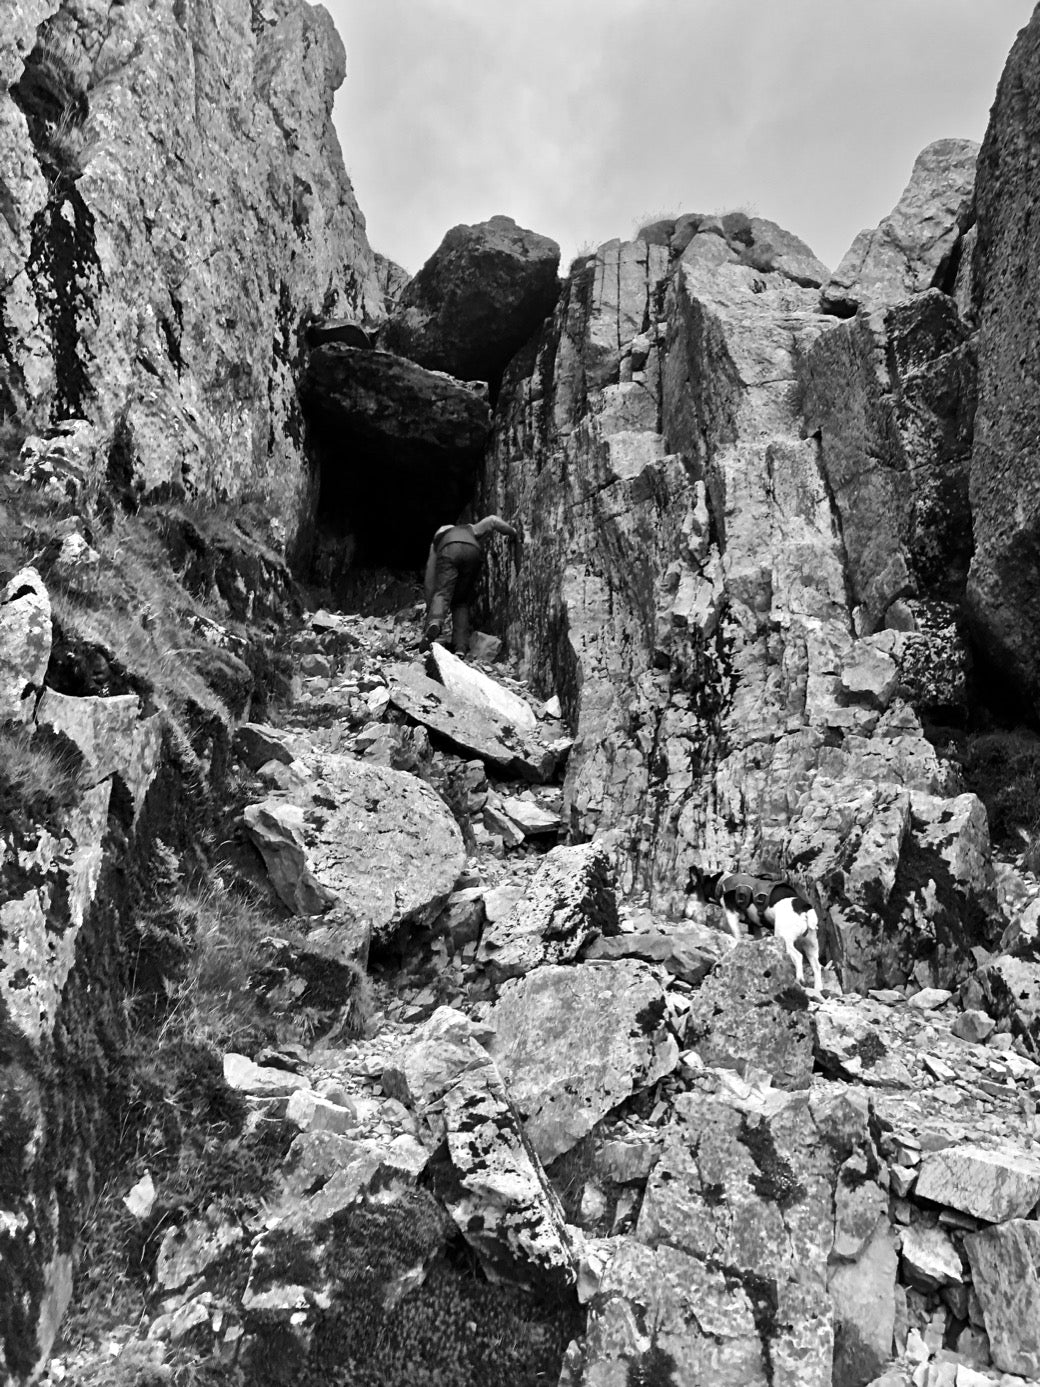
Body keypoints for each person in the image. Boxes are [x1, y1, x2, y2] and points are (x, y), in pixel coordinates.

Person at [422, 514, 520, 654]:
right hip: (472, 551)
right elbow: (493, 521)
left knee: (442, 592)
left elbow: (430, 577)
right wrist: (512, 532)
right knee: (461, 601)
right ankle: (460, 647)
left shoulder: (439, 538)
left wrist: (429, 608)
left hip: (449, 550)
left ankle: (435, 624)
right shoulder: (471, 529)